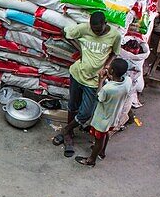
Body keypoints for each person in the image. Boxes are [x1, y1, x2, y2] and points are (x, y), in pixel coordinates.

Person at [54, 11, 121, 156]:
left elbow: (115, 53)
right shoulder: (84, 28)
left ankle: (66, 129)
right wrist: (80, 48)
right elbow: (66, 33)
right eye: (93, 29)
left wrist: (106, 66)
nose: (95, 32)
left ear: (105, 24)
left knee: (86, 112)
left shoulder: (115, 35)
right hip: (77, 73)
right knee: (73, 105)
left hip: (93, 80)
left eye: (98, 30)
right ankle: (69, 134)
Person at [76, 58, 130, 167]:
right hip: (113, 116)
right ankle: (102, 152)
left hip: (102, 119)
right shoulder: (127, 81)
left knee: (98, 139)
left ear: (112, 71)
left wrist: (100, 80)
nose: (108, 68)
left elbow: (98, 96)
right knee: (106, 135)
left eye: (110, 67)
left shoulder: (108, 88)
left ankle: (91, 160)